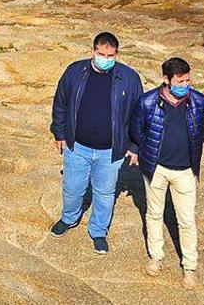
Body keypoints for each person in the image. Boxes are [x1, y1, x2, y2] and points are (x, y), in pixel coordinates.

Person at [48, 32, 143, 255]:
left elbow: (139, 115)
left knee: (105, 192)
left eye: (110, 55)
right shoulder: (75, 71)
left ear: (117, 54)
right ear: (92, 51)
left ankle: (99, 231)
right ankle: (69, 218)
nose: (106, 58)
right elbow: (60, 103)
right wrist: (59, 133)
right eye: (101, 54)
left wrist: (135, 146)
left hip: (111, 151)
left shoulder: (129, 78)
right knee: (72, 188)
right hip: (76, 145)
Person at [131, 57, 204, 289]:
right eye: (180, 80)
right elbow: (137, 130)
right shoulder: (147, 102)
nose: (185, 84)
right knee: (154, 214)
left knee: (186, 220)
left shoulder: (198, 101)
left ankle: (190, 267)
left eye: (187, 80)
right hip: (156, 169)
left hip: (185, 170)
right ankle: (156, 256)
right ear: (166, 80)